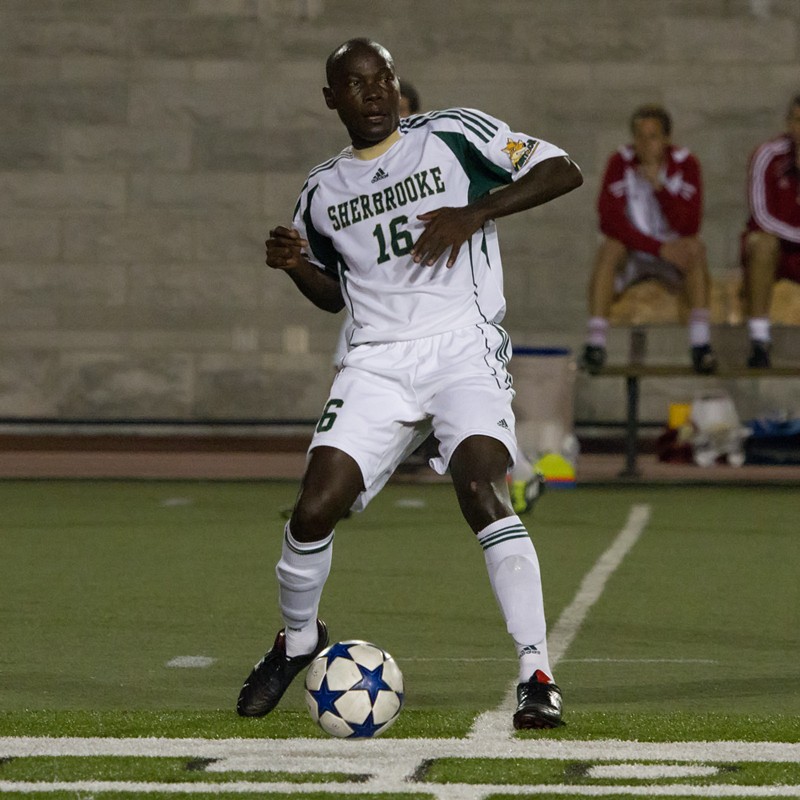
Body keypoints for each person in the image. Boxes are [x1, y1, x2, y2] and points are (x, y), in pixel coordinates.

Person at [237, 37, 583, 730]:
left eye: (381, 80)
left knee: (483, 488)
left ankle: (537, 673)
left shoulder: (454, 135)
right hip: (378, 363)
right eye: (355, 85)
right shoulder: (322, 189)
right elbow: (333, 296)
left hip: (463, 350)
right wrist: (294, 266)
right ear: (331, 98)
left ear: (396, 84)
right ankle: (299, 639)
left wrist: (475, 212)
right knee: (312, 510)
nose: (372, 94)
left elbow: (564, 169)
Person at [580, 104, 717, 375]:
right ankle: (595, 343)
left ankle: (701, 345)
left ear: (666, 139)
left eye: (652, 137)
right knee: (608, 249)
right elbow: (609, 221)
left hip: (675, 254)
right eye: (639, 136)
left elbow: (689, 224)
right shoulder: (619, 163)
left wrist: (659, 188)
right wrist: (656, 248)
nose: (645, 144)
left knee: (696, 249)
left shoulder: (686, 164)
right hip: (635, 252)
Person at [740, 93, 800, 368]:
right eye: (799, 121)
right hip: (776, 251)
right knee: (761, 243)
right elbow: (761, 215)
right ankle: (759, 341)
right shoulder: (769, 155)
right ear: (789, 123)